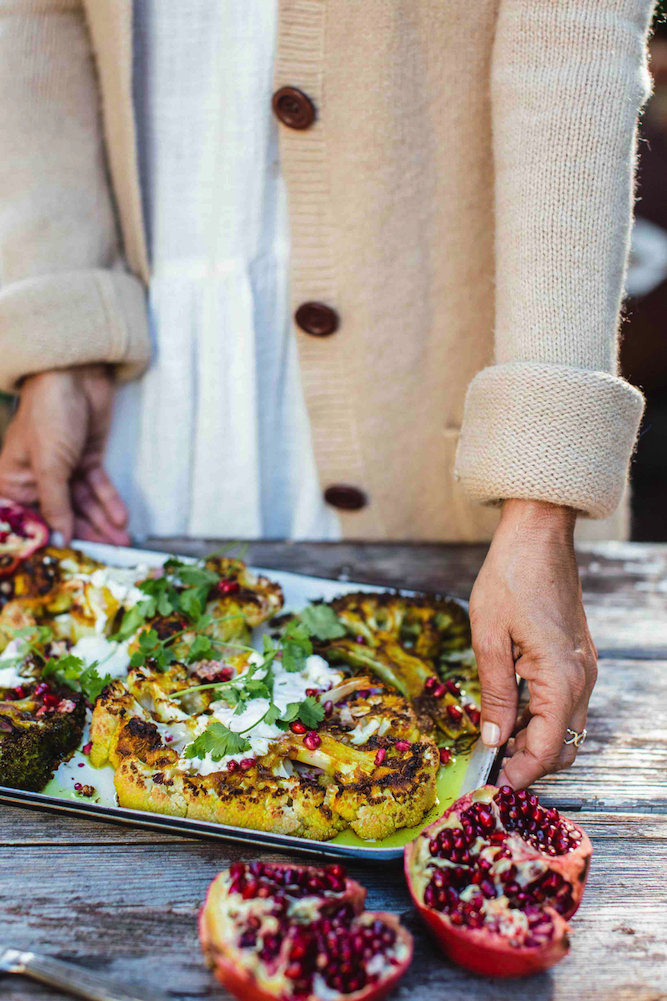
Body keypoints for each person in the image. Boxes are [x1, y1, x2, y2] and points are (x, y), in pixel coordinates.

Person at [0, 0, 655, 788]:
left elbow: (572, 41)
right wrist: (63, 334)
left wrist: (539, 493)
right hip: (151, 379)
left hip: (439, 402)